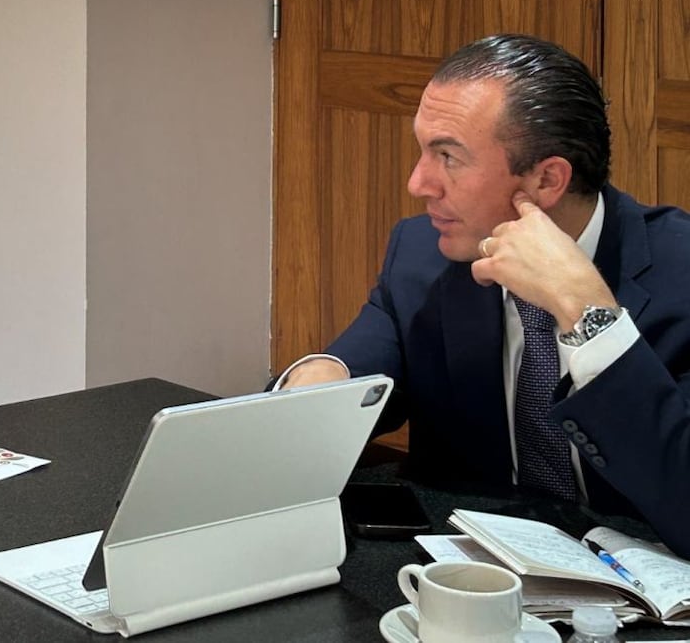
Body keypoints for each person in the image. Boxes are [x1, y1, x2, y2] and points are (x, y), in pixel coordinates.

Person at [277, 34, 690, 558]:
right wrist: (317, 381)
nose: (417, 182)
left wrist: (589, 315)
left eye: (447, 156)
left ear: (546, 180)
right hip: (465, 583)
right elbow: (349, 377)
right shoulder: (424, 254)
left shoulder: (679, 271)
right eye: (423, 150)